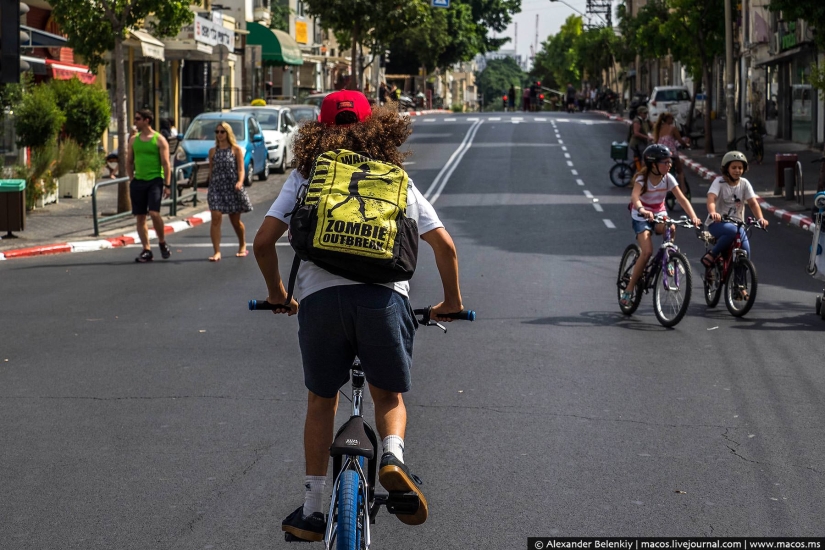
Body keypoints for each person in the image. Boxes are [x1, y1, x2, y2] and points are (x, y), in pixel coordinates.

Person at [253, 90, 465, 542]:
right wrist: (451, 302)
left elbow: (263, 242)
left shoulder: (306, 175)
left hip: (320, 305)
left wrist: (279, 294)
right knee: (387, 397)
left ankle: (312, 510)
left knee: (321, 401)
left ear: (318, 128)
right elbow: (444, 245)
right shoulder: (395, 178)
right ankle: (391, 456)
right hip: (383, 303)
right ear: (375, 128)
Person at [620, 144, 701, 307]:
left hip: (659, 214)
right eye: (665, 162)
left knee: (671, 227)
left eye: (670, 162)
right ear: (653, 164)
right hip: (641, 215)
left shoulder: (668, 178)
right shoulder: (642, 178)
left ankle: (668, 259)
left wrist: (694, 217)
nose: (669, 165)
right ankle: (629, 290)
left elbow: (682, 199)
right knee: (647, 251)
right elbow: (634, 197)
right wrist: (642, 209)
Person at [700, 151, 769, 272]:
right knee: (732, 230)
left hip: (738, 225)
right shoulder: (719, 182)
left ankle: (740, 285)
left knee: (746, 251)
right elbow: (711, 198)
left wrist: (761, 218)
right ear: (726, 169)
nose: (737, 170)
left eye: (740, 168)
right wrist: (713, 212)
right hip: (717, 223)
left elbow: (753, 203)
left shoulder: (745, 183)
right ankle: (713, 253)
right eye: (734, 167)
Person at [127, 109, 172, 263]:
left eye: (138, 119)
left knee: (154, 213)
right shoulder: (133, 140)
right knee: (140, 217)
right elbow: (129, 160)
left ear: (147, 120)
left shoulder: (159, 140)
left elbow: (166, 164)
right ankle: (146, 249)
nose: (135, 121)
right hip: (138, 181)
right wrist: (131, 178)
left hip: (155, 180)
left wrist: (167, 184)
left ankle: (161, 242)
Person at [206, 121, 253, 262]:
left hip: (232, 187)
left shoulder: (236, 149)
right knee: (215, 217)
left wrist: (240, 181)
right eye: (217, 132)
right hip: (216, 187)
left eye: (222, 131)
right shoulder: (212, 151)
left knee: (235, 221)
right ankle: (217, 252)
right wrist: (208, 186)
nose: (219, 134)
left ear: (228, 133)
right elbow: (211, 170)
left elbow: (240, 169)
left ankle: (242, 244)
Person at [653, 112, 690, 195]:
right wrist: (686, 145)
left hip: (660, 153)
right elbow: (680, 140)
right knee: (680, 171)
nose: (673, 120)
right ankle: (683, 191)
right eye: (672, 119)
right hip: (671, 153)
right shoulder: (672, 128)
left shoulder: (659, 128)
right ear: (668, 119)